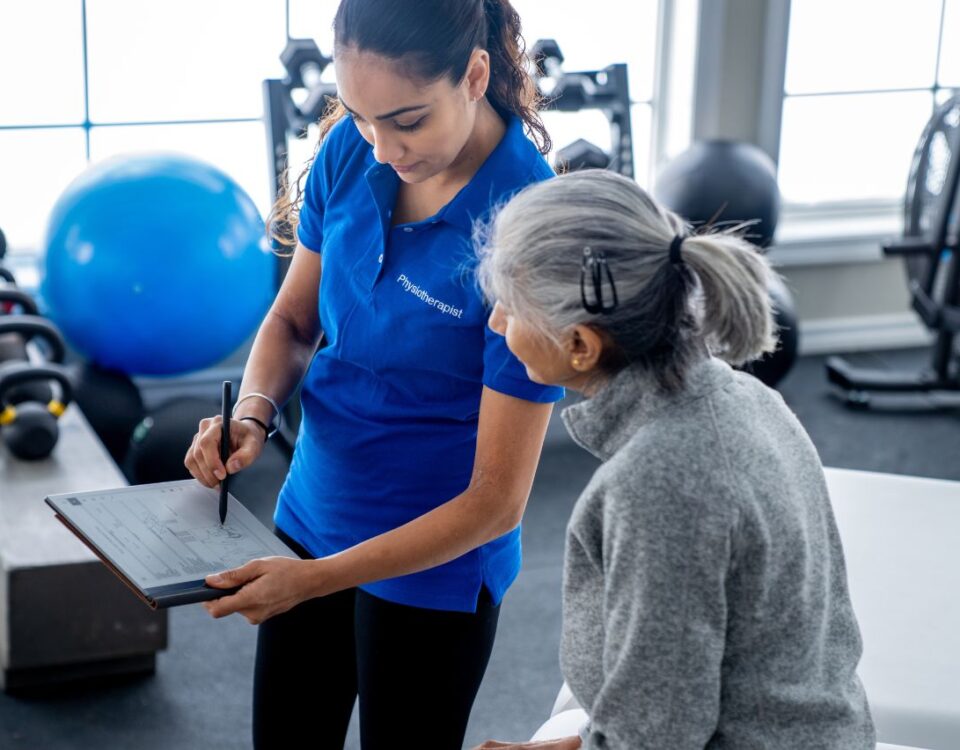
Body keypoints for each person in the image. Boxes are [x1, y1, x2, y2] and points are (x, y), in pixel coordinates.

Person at [183, 1, 564, 748]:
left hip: (436, 559)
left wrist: (317, 580)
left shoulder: (530, 223)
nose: (383, 147)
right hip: (311, 515)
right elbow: (294, 322)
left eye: (408, 121)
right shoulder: (349, 154)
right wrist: (254, 412)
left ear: (475, 74)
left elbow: (496, 504)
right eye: (361, 115)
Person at [472, 169, 876, 749]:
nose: (495, 322)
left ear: (581, 346)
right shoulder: (741, 396)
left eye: (510, 308)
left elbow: (658, 738)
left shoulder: (659, 483)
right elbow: (685, 667)